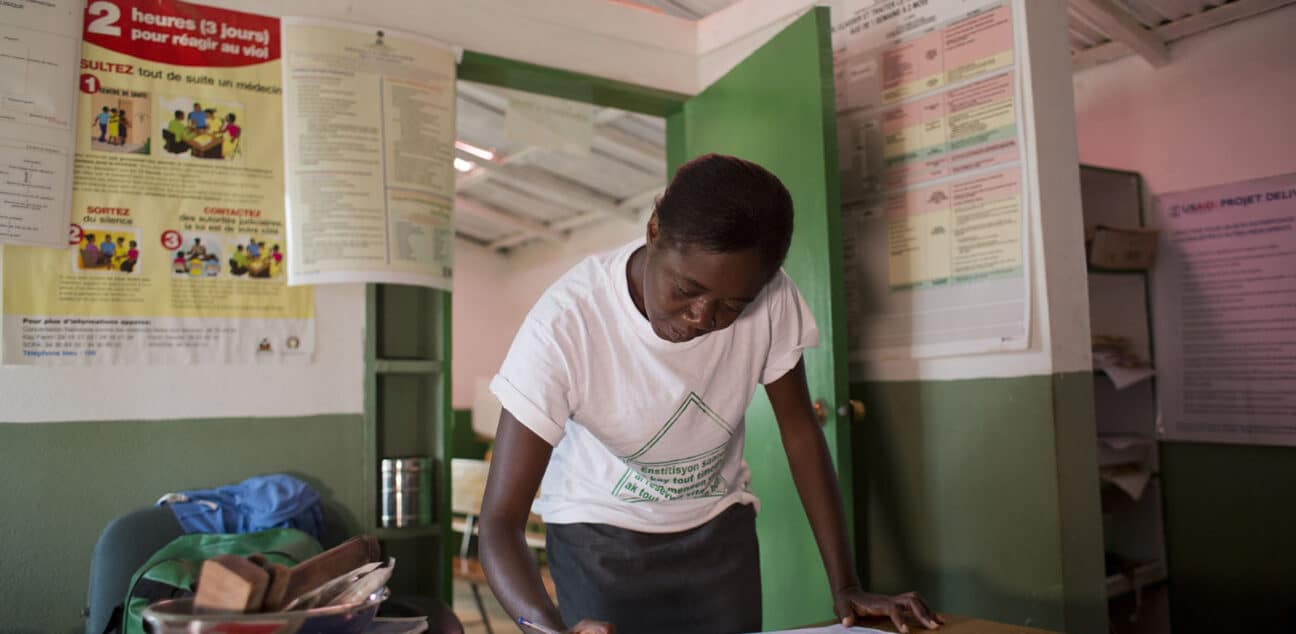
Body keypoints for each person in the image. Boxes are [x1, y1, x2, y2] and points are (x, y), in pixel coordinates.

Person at [479, 154, 942, 634]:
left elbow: (801, 431)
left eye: (730, 306)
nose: (702, 317)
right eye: (686, 289)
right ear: (654, 230)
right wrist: (542, 627)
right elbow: (499, 522)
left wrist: (846, 584)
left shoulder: (772, 301)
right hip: (599, 540)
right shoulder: (565, 325)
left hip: (720, 535)